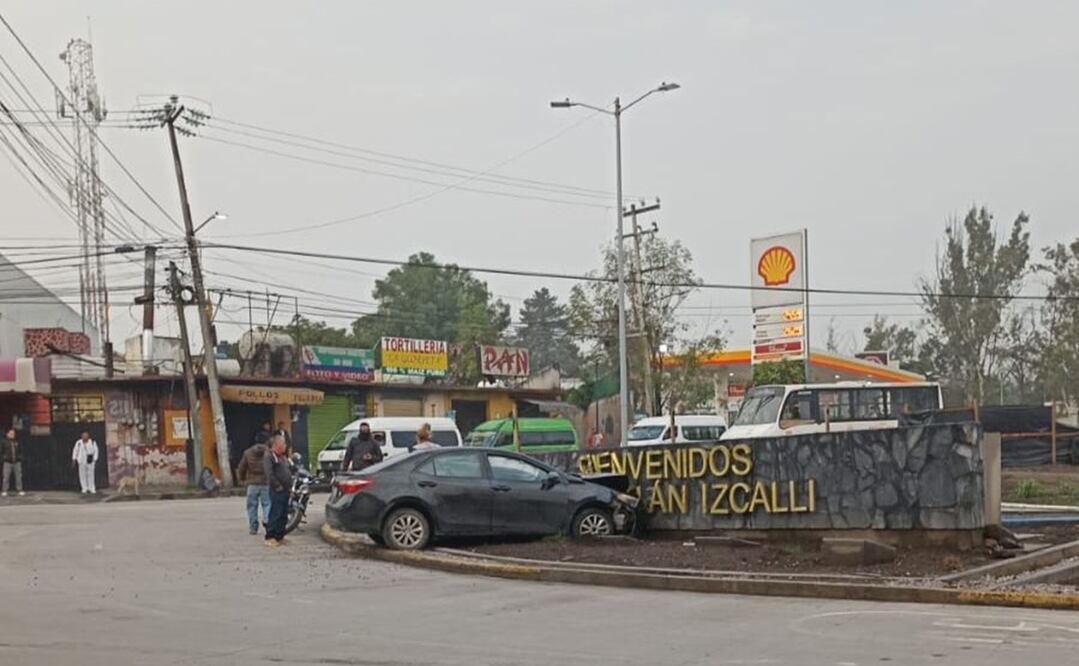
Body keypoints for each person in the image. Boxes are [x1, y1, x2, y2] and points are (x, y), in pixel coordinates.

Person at [262, 434, 292, 547]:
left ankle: (280, 536)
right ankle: (270, 536)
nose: (285, 446)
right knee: (276, 512)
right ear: (277, 445)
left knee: (284, 514)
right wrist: (277, 486)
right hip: (277, 490)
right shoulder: (269, 456)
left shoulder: (282, 457)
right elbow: (269, 474)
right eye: (283, 444)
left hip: (286, 489)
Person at [236, 440, 270, 535]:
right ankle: (267, 520)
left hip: (252, 484)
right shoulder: (268, 452)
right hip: (265, 483)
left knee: (252, 507)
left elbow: (242, 467)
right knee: (267, 504)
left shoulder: (247, 453)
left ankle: (253, 528)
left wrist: (241, 478)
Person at [2, 428, 25, 497]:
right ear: (7, 434)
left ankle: (19, 490)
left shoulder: (16, 442)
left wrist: (20, 457)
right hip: (7, 462)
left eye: (13, 434)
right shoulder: (4, 442)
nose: (12, 435)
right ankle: (4, 490)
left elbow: (21, 450)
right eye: (11, 433)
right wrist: (4, 458)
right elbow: (1, 451)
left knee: (18, 476)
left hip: (17, 462)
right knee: (6, 477)